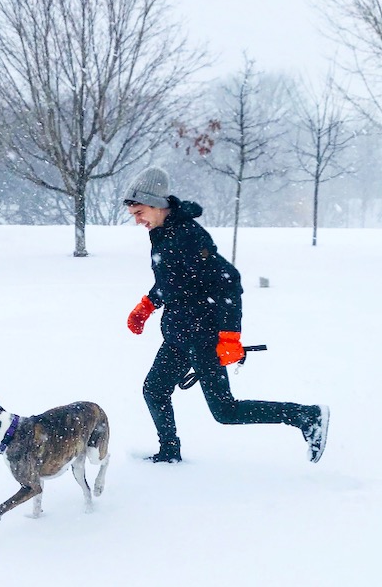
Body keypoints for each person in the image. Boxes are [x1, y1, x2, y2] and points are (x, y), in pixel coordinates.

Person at [123, 166, 329, 464]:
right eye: (134, 215)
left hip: (203, 336)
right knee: (154, 390)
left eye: (139, 212)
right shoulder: (161, 232)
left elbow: (228, 280)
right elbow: (174, 280)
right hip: (178, 334)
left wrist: (230, 336)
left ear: (157, 204)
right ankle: (169, 451)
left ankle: (306, 416)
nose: (137, 220)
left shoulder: (189, 236)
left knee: (225, 411)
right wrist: (148, 304)